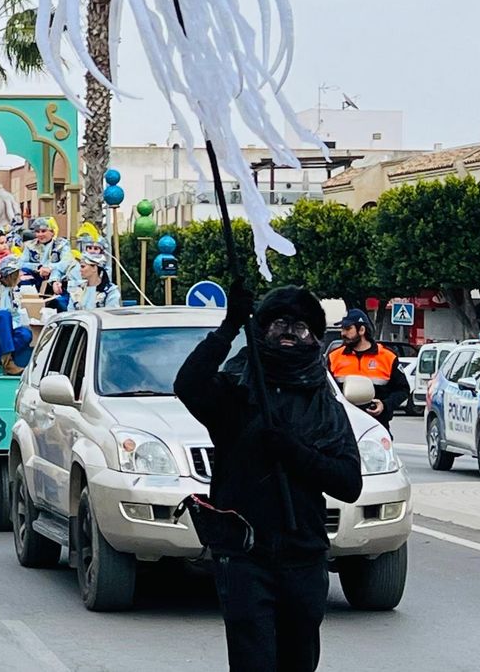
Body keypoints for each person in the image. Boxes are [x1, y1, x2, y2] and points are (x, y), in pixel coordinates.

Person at [174, 284, 362, 672]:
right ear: (261, 330)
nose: (290, 332)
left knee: (298, 660)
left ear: (314, 337)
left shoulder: (324, 406)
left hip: (304, 556)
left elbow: (348, 482)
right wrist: (227, 328)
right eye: (279, 323)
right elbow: (188, 384)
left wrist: (295, 452)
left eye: (300, 325)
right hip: (245, 556)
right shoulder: (236, 391)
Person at [327, 308, 409, 432]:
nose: (343, 333)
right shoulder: (334, 357)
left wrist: (384, 405)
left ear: (362, 330)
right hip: (341, 426)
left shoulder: (387, 357)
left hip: (376, 426)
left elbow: (403, 390)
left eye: (348, 329)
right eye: (342, 329)